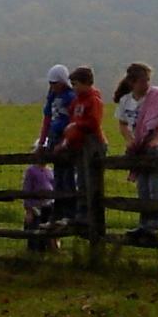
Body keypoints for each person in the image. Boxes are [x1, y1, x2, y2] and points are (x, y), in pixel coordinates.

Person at [118, 62, 158, 240]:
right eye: (143, 81)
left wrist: (157, 140)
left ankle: (154, 225)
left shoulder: (155, 96)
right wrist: (129, 140)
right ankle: (143, 224)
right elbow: (122, 124)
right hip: (140, 147)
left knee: (155, 185)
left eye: (148, 80)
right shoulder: (126, 101)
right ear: (132, 82)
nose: (147, 84)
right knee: (143, 187)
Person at [52, 66, 107, 227]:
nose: (74, 88)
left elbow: (94, 122)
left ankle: (90, 215)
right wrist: (66, 140)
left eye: (76, 84)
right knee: (81, 181)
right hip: (79, 145)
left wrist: (76, 125)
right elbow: (72, 118)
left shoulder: (93, 100)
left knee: (90, 181)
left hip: (93, 144)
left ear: (86, 83)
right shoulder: (77, 101)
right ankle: (82, 214)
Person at [35, 64, 76, 227]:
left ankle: (70, 213)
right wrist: (43, 141)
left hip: (66, 139)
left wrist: (66, 141)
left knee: (68, 177)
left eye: (55, 83)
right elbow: (47, 119)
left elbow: (74, 122)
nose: (52, 86)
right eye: (50, 83)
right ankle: (57, 213)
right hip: (54, 138)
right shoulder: (52, 96)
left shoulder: (71, 97)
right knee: (58, 178)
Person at [22, 157, 58, 252]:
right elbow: (26, 190)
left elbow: (54, 188)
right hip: (35, 206)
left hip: (49, 205)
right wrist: (29, 210)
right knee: (34, 230)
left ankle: (49, 248)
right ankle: (34, 250)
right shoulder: (31, 171)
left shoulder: (50, 171)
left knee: (49, 229)